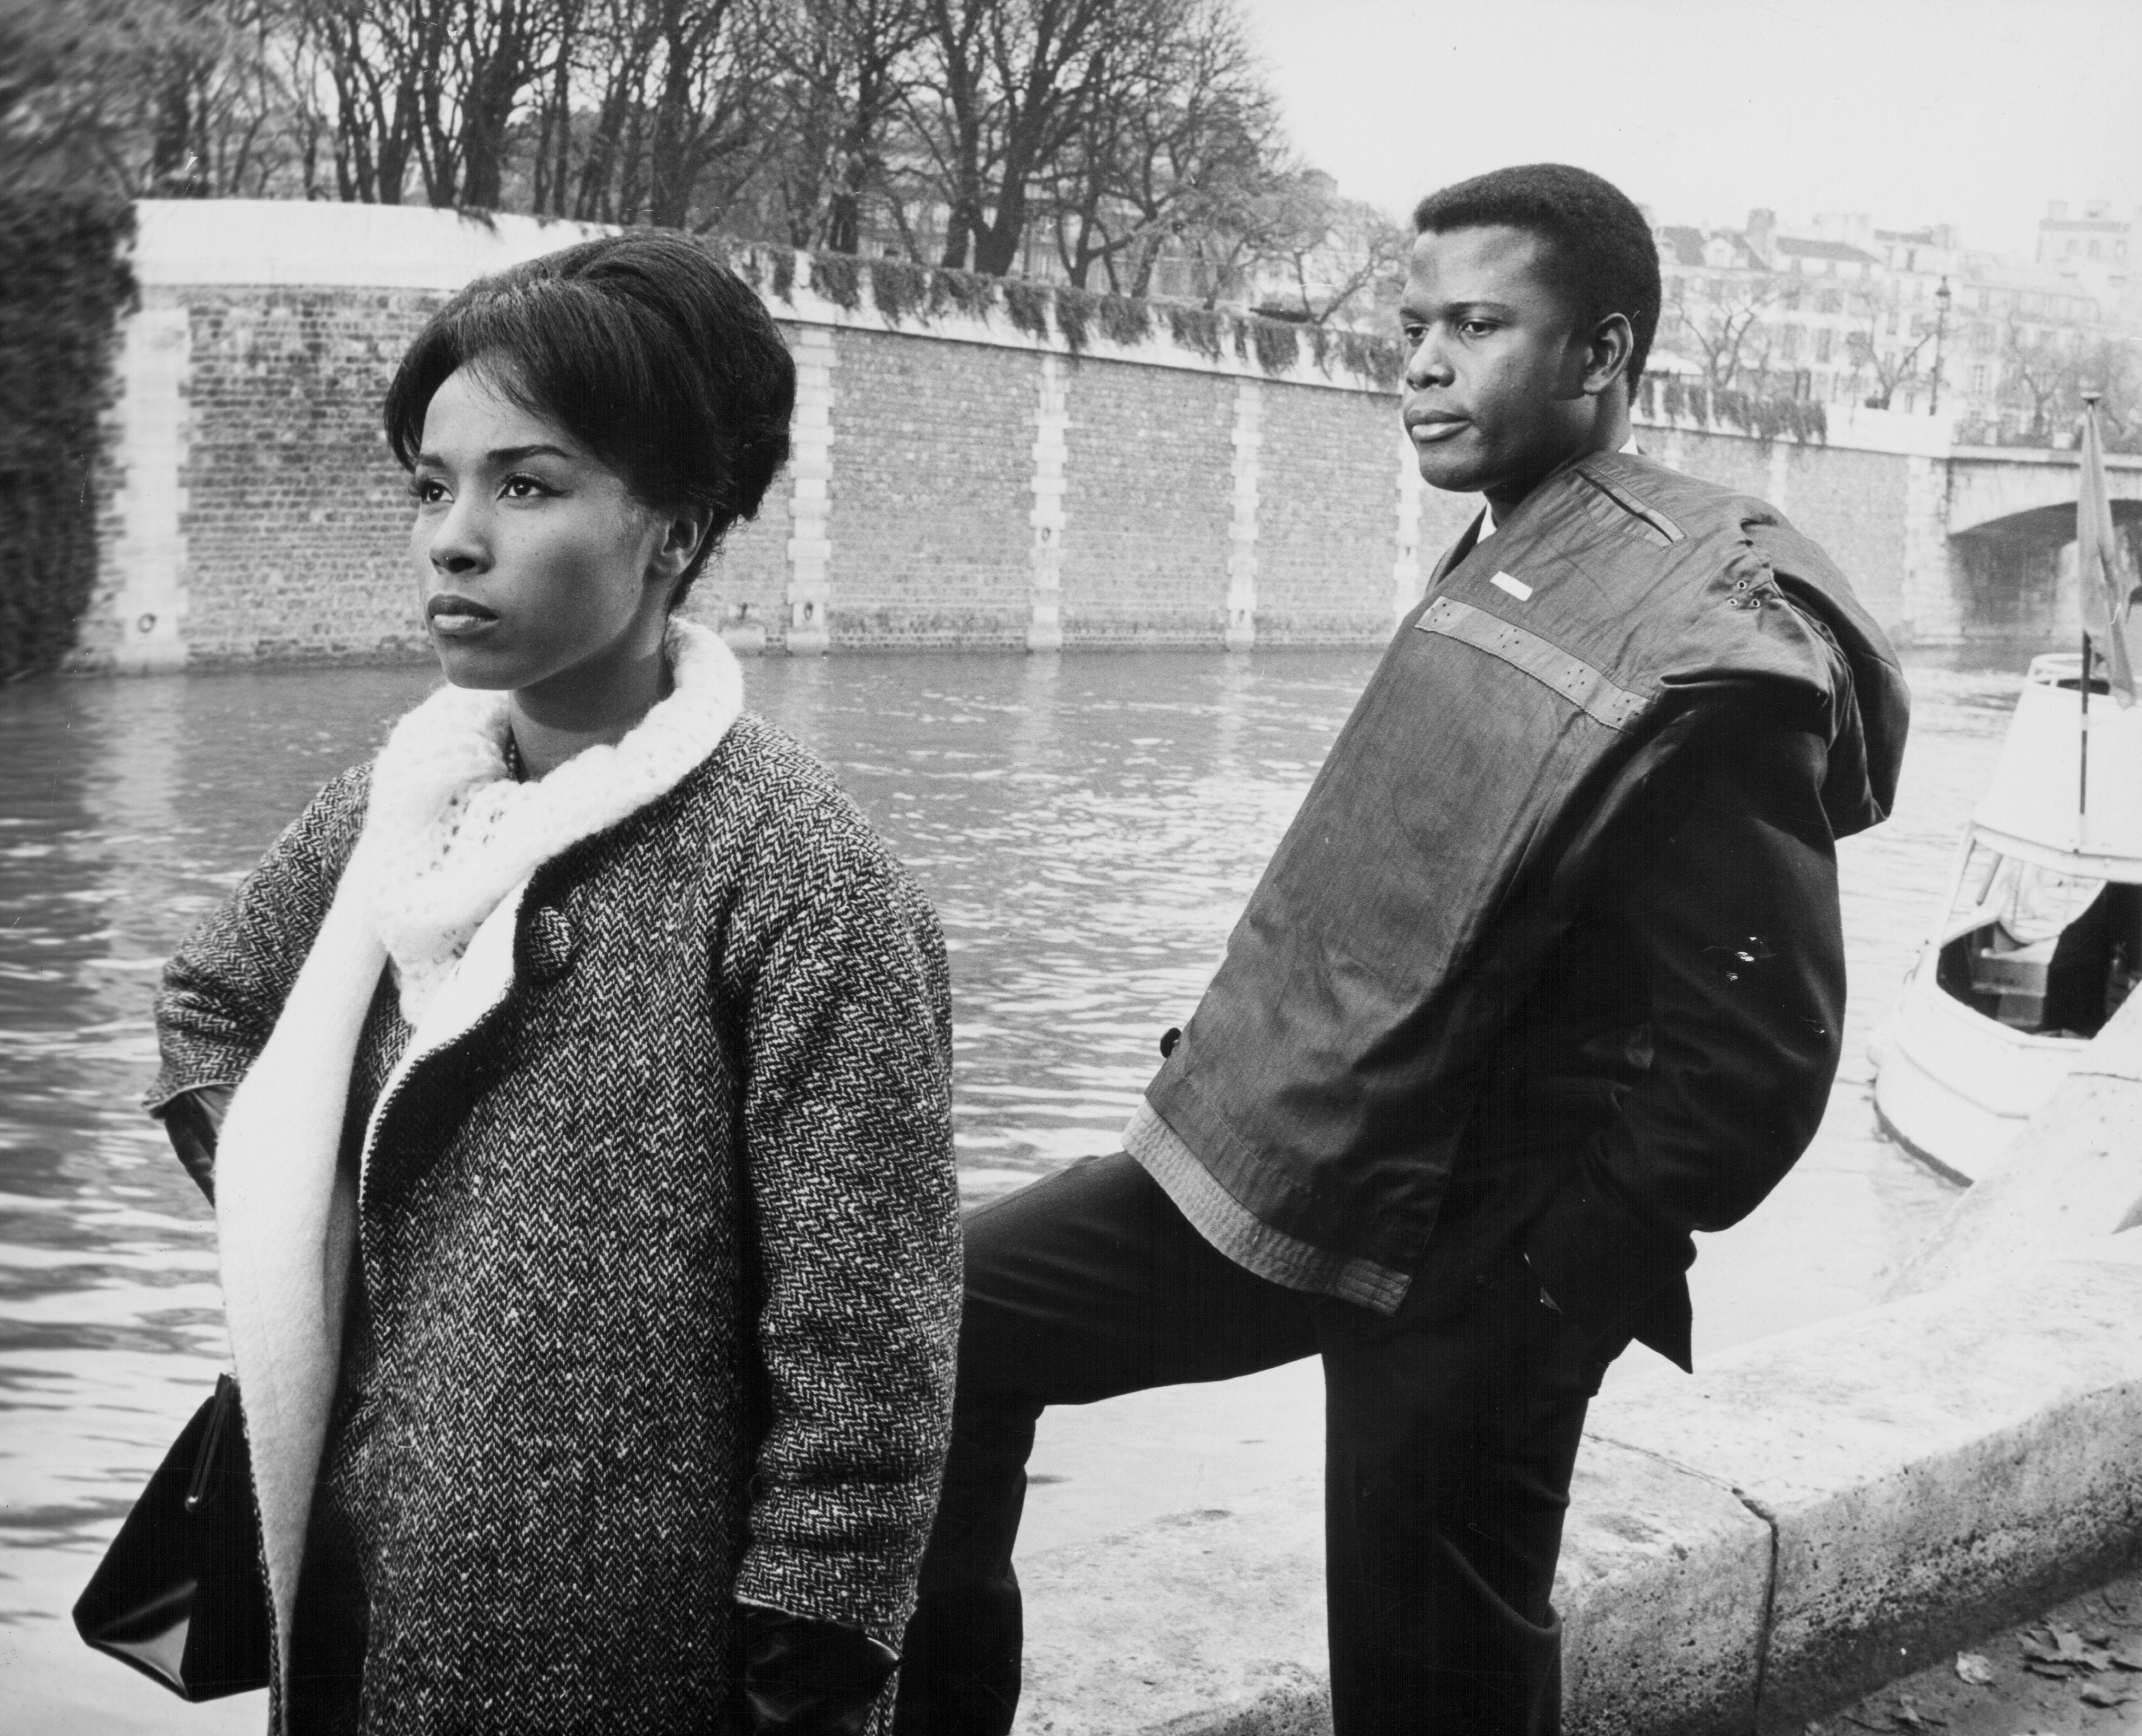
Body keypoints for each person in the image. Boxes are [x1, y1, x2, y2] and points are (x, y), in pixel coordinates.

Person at [893, 163, 1910, 1736]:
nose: (1421, 362)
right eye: (1414, 323)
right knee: (944, 1323)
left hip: (1479, 1249)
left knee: (1429, 1677)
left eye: (1479, 325)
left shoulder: (1694, 634)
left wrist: (1544, 1293)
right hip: (1314, 1168)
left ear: (1601, 355)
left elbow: (1763, 1055)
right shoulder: (1530, 541)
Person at [149, 231, 962, 1735]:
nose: (453, 539)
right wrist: (318, 1208)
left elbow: (869, 1343)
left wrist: (812, 1666)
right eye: (431, 485)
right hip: (355, 1557)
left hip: (619, 1624)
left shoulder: (796, 876)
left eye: (526, 486)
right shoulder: (398, 803)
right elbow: (212, 1004)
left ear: (675, 527)